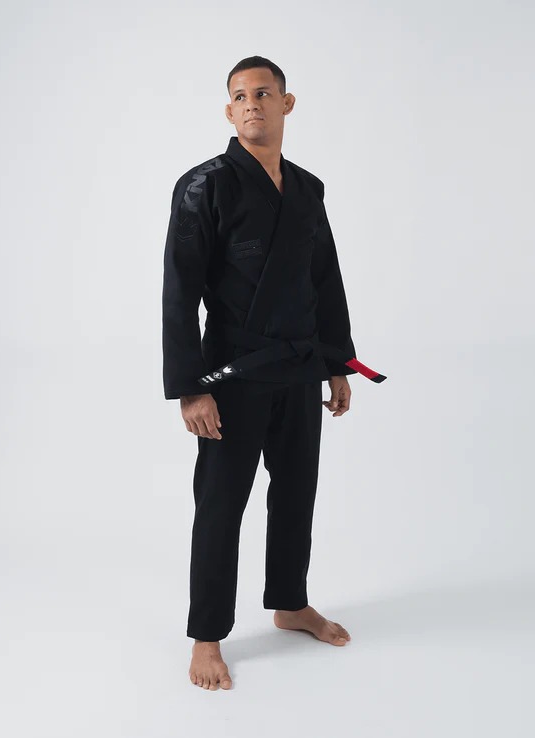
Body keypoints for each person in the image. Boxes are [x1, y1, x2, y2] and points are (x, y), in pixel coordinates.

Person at [162, 56, 385, 691]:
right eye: (240, 96)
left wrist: (337, 362)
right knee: (221, 503)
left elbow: (325, 280)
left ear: (287, 104)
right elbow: (179, 291)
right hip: (231, 374)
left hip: (299, 369)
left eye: (263, 93)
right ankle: (207, 635)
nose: (252, 103)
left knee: (295, 493)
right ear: (228, 111)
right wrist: (190, 388)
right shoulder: (203, 186)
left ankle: (290, 603)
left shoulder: (308, 189)